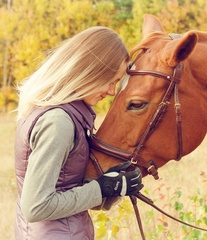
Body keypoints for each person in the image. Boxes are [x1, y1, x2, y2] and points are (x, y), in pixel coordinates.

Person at [14, 26, 143, 240]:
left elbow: (65, 191)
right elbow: (36, 207)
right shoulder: (58, 122)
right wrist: (101, 188)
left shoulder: (59, 113)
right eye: (110, 81)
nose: (111, 91)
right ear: (90, 71)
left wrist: (114, 186)